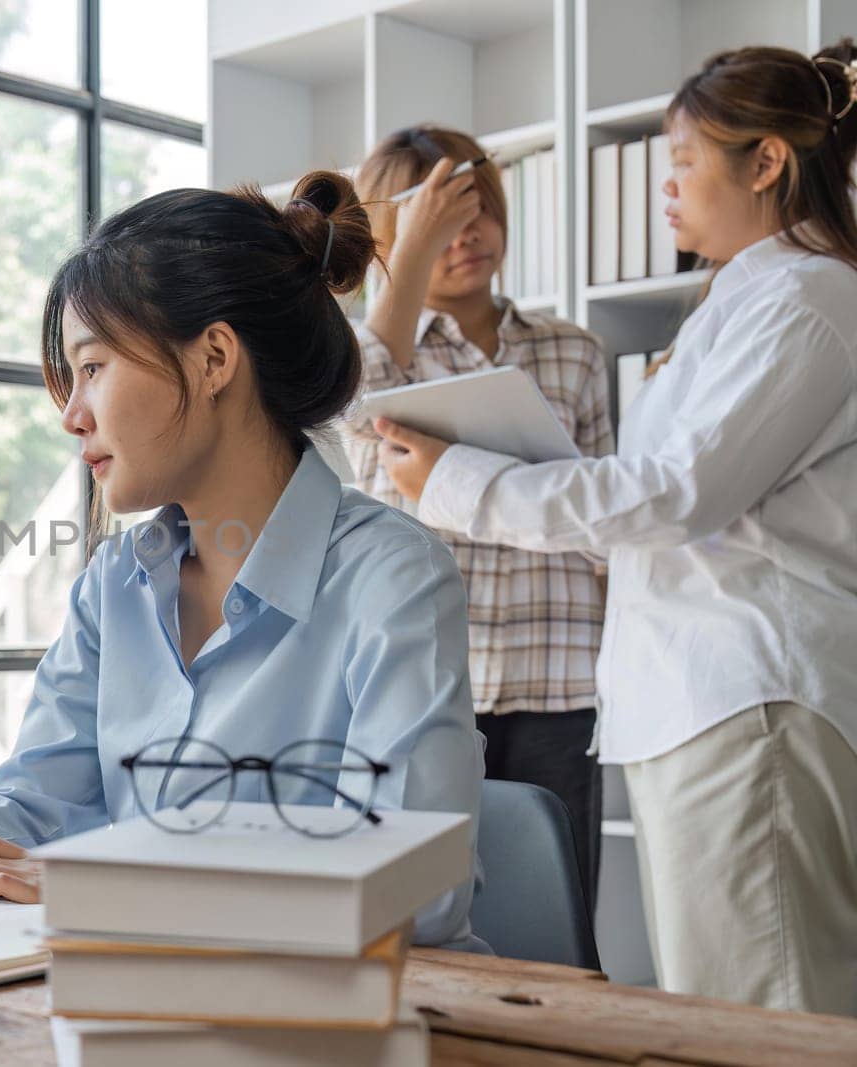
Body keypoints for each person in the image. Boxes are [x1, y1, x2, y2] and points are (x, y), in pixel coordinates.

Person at [0, 173, 487, 949]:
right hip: (157, 1002)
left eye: (93, 367)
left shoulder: (393, 578)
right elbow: (34, 805)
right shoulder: (116, 584)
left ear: (215, 358)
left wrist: (118, 891)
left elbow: (420, 889)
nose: (71, 415)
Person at [374, 43, 857, 1013]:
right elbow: (658, 511)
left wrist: (461, 481)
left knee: (763, 1006)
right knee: (728, 997)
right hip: (699, 692)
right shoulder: (748, 292)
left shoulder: (810, 296)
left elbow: (678, 494)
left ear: (763, 163)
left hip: (744, 690)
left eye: (680, 161)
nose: (664, 187)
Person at [345, 125, 614, 917]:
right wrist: (409, 256)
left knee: (553, 913)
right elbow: (343, 403)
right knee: (417, 914)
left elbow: (606, 521)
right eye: (438, 220)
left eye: (478, 210)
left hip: (557, 678)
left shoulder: (574, 351)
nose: (467, 235)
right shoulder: (376, 352)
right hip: (425, 682)